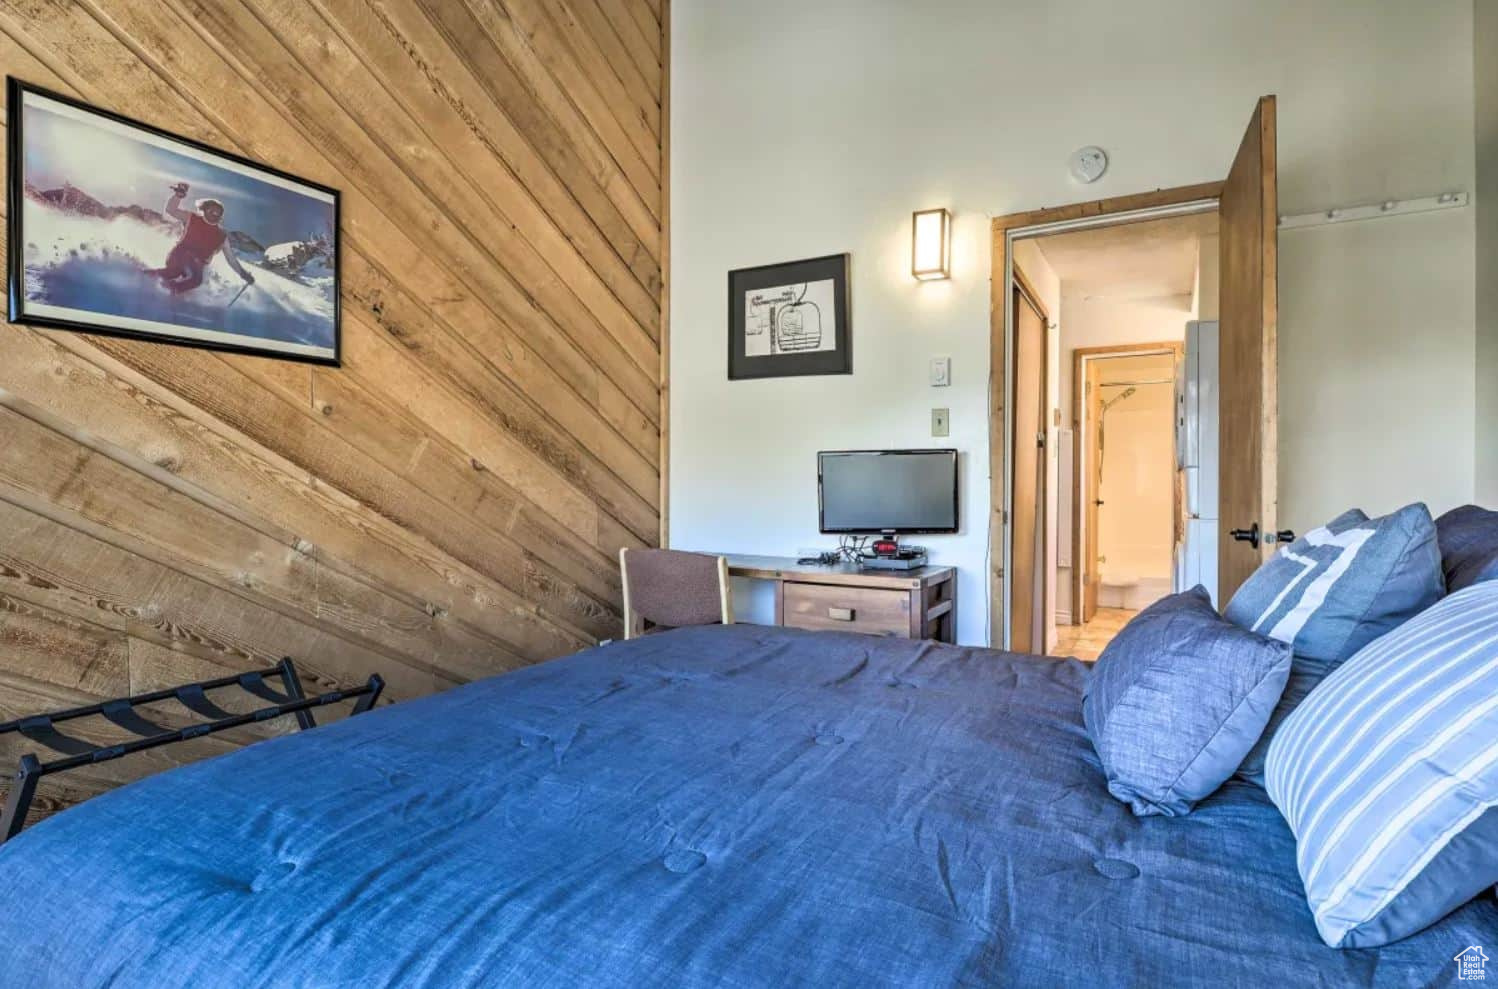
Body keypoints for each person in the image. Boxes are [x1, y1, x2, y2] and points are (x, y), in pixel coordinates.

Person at [145, 182, 255, 296]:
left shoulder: (221, 236)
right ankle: (153, 282)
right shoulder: (192, 218)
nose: (214, 214)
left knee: (189, 278)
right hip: (180, 255)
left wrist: (244, 274)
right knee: (183, 275)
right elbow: (171, 210)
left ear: (221, 216)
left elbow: (231, 259)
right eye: (212, 211)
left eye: (218, 213)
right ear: (205, 210)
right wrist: (178, 196)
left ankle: (167, 290)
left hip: (196, 265)